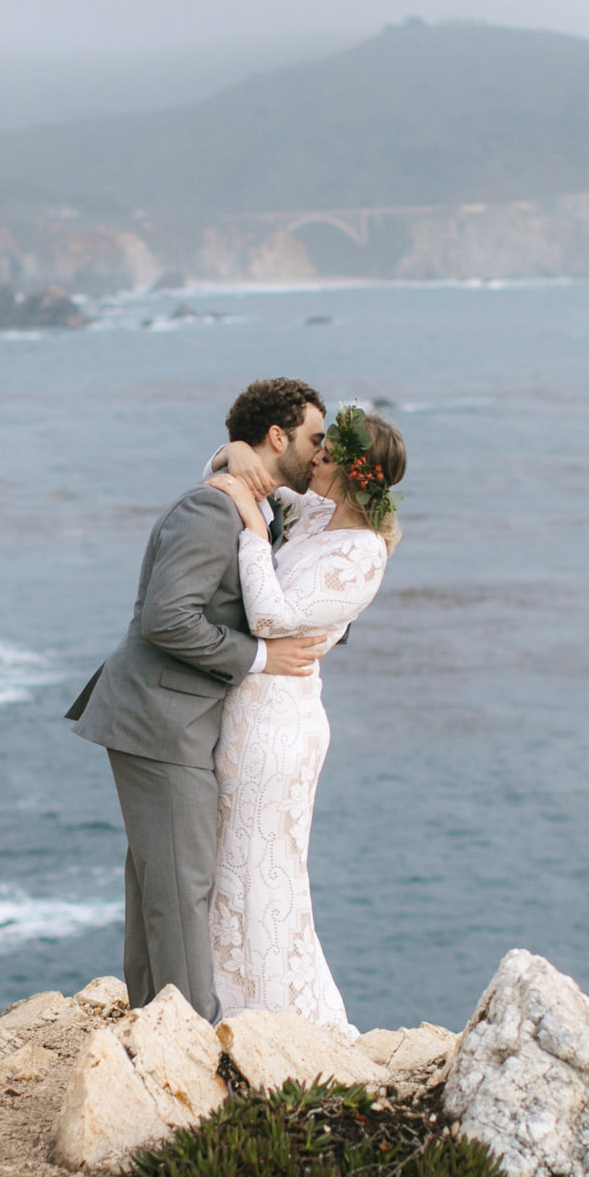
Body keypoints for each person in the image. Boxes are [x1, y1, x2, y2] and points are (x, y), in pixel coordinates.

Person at [67, 379, 333, 1018]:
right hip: (160, 720)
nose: (320, 452)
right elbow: (166, 619)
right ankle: (188, 1040)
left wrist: (224, 454)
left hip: (174, 719)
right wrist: (262, 657)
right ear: (277, 437)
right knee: (184, 889)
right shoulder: (210, 510)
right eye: (314, 438)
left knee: (158, 887)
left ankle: (150, 1024)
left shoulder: (257, 503)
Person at [202, 403, 405, 1033]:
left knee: (265, 876)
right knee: (227, 870)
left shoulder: (363, 555)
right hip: (247, 714)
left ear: (351, 471)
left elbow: (271, 618)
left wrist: (254, 537)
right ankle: (224, 1008)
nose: (312, 457)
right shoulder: (317, 513)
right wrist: (233, 454)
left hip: (278, 730)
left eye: (325, 453)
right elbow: (240, 480)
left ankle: (278, 1024)